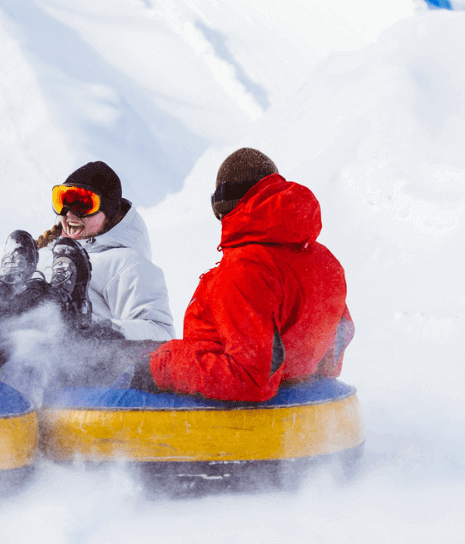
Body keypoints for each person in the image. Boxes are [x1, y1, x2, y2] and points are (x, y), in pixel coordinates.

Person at [131, 148, 354, 402]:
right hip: (300, 401)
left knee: (128, 371)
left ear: (225, 205)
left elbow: (250, 380)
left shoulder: (246, 268)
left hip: (231, 411)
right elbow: (338, 338)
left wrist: (162, 368)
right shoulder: (324, 260)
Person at [33, 161, 174, 341]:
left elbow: (162, 335)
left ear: (108, 212)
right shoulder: (44, 253)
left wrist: (101, 331)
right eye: (63, 201)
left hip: (73, 353)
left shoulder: (128, 264)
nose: (69, 213)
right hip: (21, 344)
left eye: (82, 204)